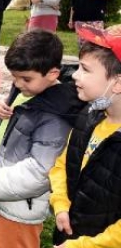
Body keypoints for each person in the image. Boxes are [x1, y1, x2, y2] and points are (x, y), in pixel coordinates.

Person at [0, 30, 85, 248]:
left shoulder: (55, 117)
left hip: (20, 208)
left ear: (53, 73)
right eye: (14, 77)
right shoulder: (29, 90)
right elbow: (8, 122)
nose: (17, 84)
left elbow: (41, 172)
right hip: (4, 195)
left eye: (25, 78)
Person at [49, 23, 121, 248]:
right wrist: (61, 205)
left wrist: (82, 246)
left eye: (85, 69)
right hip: (70, 230)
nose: (75, 76)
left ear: (117, 83)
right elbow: (62, 164)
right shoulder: (88, 115)